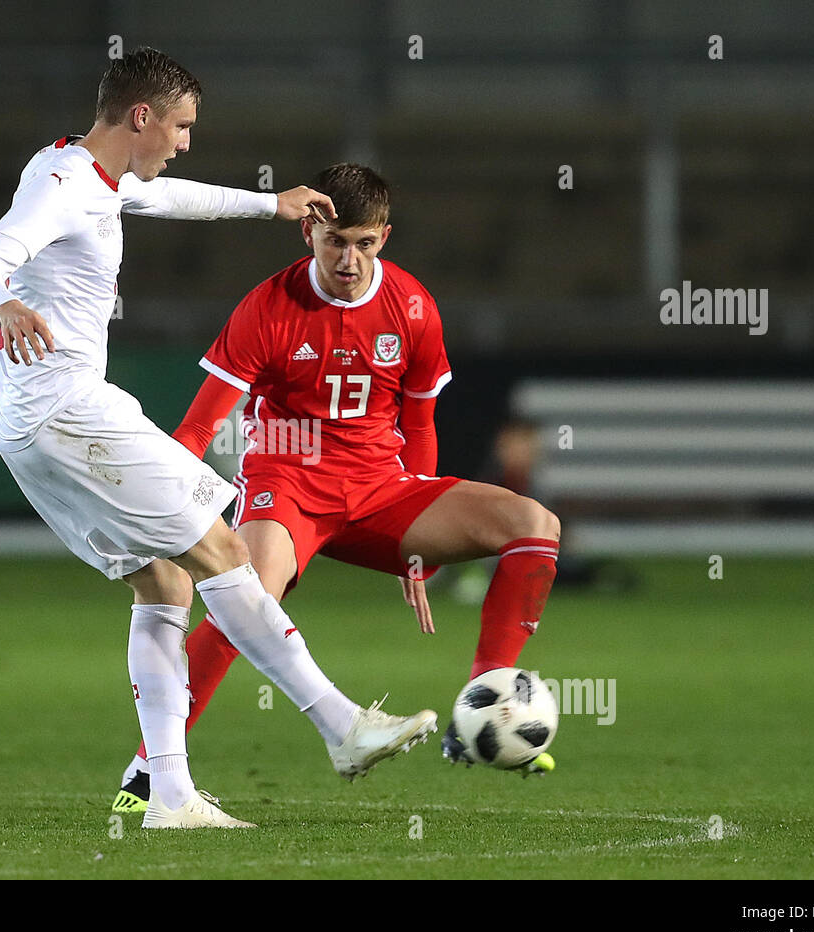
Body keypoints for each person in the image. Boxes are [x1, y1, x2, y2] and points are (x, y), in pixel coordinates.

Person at [0, 49, 436, 830]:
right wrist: (4, 306)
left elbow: (161, 196)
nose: (185, 141)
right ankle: (341, 726)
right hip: (68, 409)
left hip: (26, 421)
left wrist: (267, 204)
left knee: (165, 586)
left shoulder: (75, 171)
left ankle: (170, 796)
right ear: (141, 116)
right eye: (180, 126)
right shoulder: (63, 185)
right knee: (225, 555)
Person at [109, 163, 562, 814]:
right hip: (286, 480)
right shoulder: (268, 306)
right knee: (247, 595)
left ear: (384, 236)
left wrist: (421, 539)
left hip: (381, 487)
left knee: (534, 524)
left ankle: (482, 704)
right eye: (335, 242)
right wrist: (164, 507)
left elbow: (418, 425)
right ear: (309, 232)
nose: (349, 259)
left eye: (364, 243)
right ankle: (150, 772)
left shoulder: (411, 307)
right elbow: (199, 424)